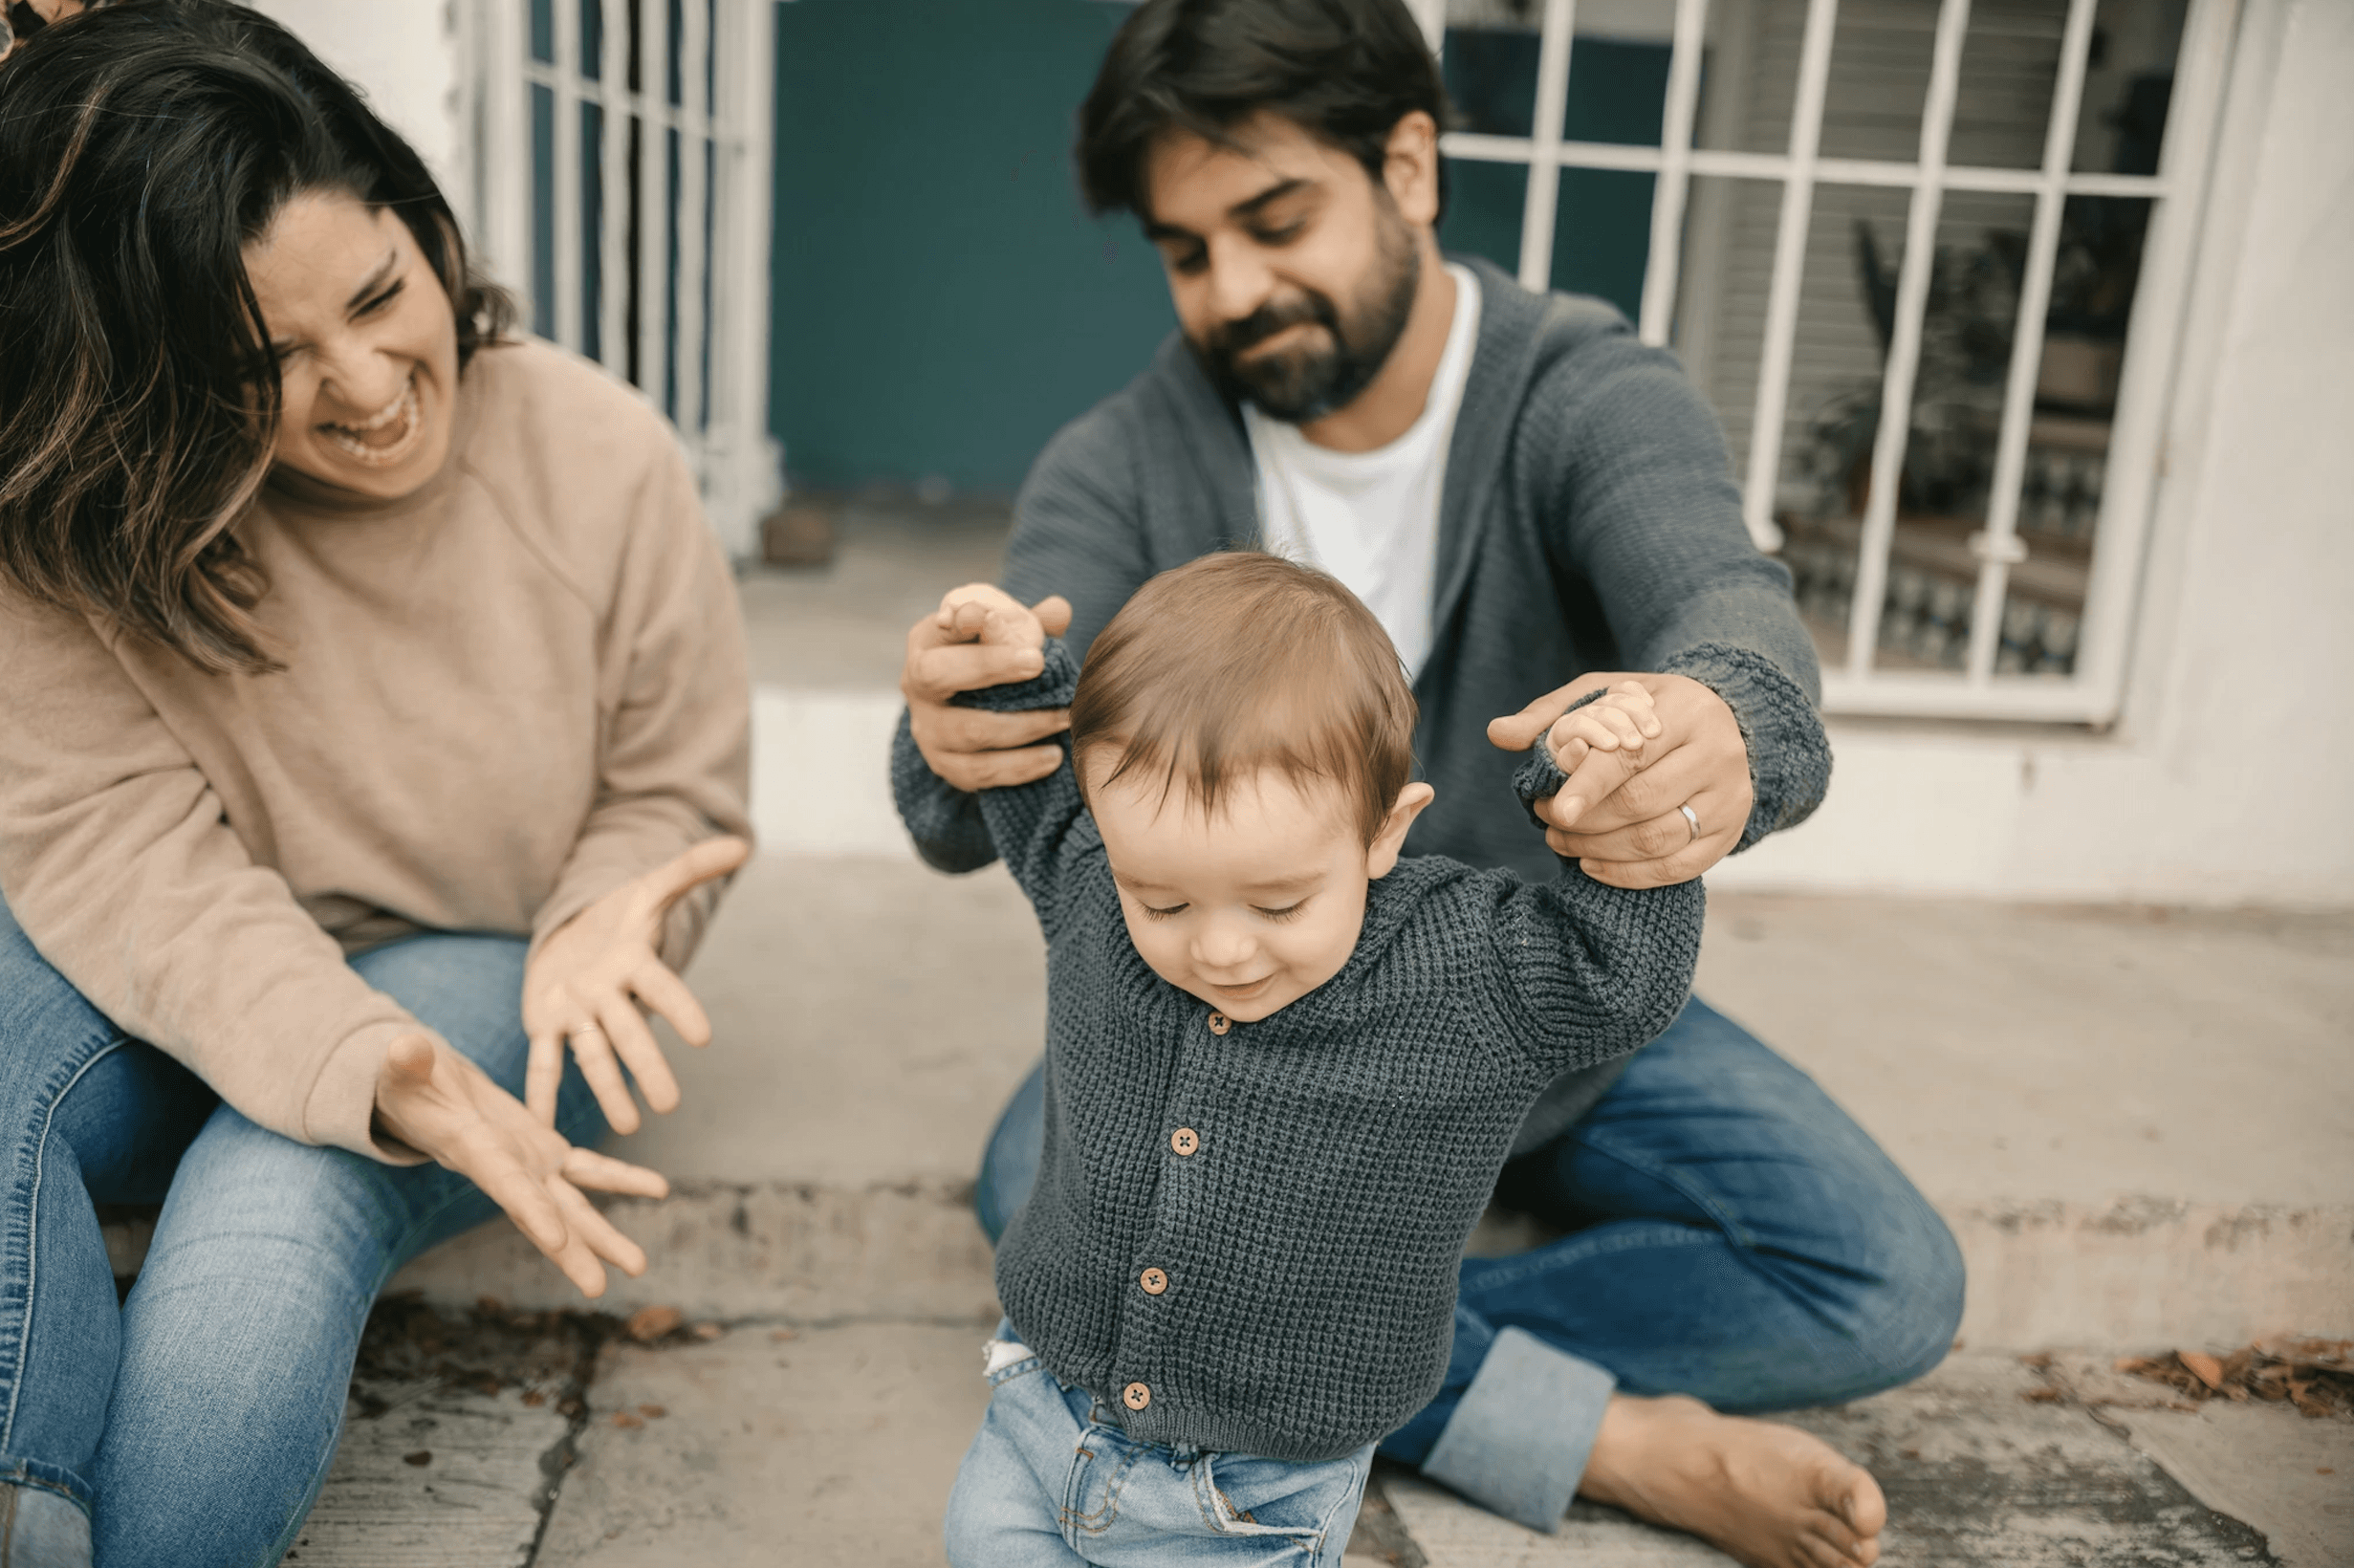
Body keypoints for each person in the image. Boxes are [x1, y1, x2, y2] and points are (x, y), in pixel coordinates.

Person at [897, 1, 1964, 1563]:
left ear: (1407, 164)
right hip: (1228, 1030)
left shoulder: (1584, 390)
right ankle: (1583, 1431)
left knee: (1883, 1280)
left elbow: (1727, 612)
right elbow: (1001, 720)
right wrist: (957, 705)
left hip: (1532, 1024)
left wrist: (1715, 725)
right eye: (1187, 252)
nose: (1234, 290)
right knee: (1028, 1182)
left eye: (1273, 220)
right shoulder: (1121, 461)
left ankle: (1357, 1350)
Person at [0, 5, 750, 1563]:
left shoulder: (595, 452)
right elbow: (121, 858)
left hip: (486, 968)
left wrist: (615, 909)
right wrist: (327, 1036)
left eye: (381, 293)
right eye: (265, 358)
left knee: (280, 1188)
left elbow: (672, 786)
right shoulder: (83, 524)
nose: (365, 382)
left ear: (420, 220)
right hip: (169, 969)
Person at [898, 558, 1702, 1567]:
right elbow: (1012, 780)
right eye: (1163, 899)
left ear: (1383, 829)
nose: (1220, 948)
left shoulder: (1465, 969)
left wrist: (1596, 790)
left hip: (1257, 1488)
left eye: (1277, 903)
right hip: (1039, 1417)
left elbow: (1616, 980)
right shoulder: (1087, 882)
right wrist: (997, 668)